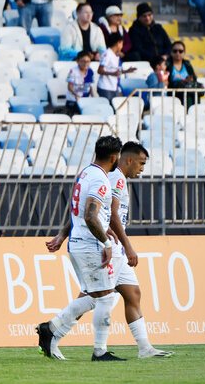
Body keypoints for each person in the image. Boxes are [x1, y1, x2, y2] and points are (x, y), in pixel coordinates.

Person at [41, 142, 174, 360]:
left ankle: (144, 348)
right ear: (124, 158)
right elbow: (106, 214)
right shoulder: (112, 178)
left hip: (106, 244)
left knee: (130, 294)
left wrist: (63, 235)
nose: (142, 169)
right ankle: (55, 333)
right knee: (97, 296)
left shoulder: (96, 174)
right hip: (104, 244)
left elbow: (88, 210)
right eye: (141, 163)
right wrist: (125, 245)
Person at [35, 136, 123, 361]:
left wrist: (65, 234)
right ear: (115, 157)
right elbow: (90, 215)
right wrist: (105, 242)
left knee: (96, 295)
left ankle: (52, 330)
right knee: (106, 297)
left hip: (79, 241)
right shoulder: (101, 181)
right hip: (90, 245)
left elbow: (83, 213)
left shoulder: (85, 174)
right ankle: (98, 350)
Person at [97, 33, 137, 101]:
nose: (122, 46)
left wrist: (127, 71)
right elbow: (100, 70)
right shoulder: (107, 54)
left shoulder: (115, 55)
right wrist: (113, 74)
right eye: (122, 43)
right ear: (118, 43)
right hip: (105, 87)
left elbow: (115, 71)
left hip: (113, 86)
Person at [167, 41, 200, 105]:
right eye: (175, 51)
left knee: (194, 93)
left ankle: (193, 112)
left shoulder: (187, 64)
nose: (178, 53)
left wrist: (189, 79)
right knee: (189, 94)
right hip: (173, 92)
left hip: (188, 90)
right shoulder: (168, 64)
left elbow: (194, 78)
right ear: (171, 52)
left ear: (184, 53)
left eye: (180, 51)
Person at [66, 51, 96, 115]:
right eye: (83, 61)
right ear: (77, 61)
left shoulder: (90, 71)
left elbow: (90, 86)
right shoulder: (73, 71)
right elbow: (69, 87)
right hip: (73, 100)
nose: (85, 63)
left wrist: (93, 97)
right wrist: (76, 95)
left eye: (88, 61)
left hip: (85, 99)